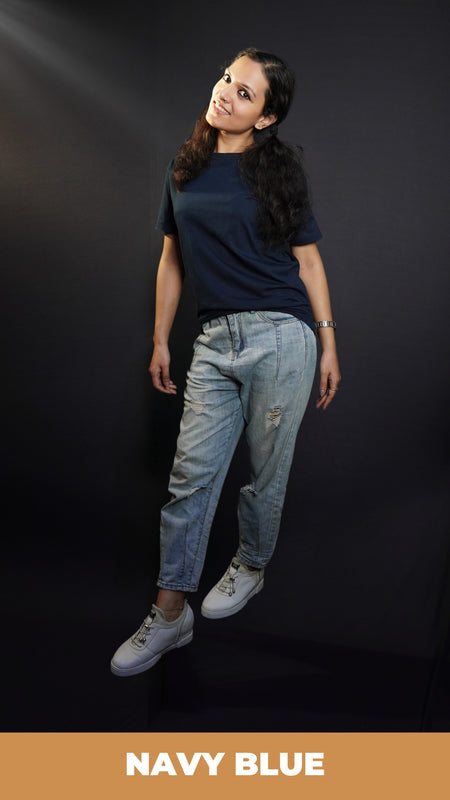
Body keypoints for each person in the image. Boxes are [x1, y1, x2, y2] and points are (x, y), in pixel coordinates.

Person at [111, 47, 341, 677]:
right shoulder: (183, 169)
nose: (226, 94)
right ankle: (169, 616)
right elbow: (172, 260)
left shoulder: (279, 173)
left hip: (281, 335)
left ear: (265, 119)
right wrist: (161, 340)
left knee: (267, 471)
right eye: (226, 80)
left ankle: (253, 563)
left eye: (245, 94)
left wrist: (328, 342)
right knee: (189, 480)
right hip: (213, 344)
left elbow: (309, 263)